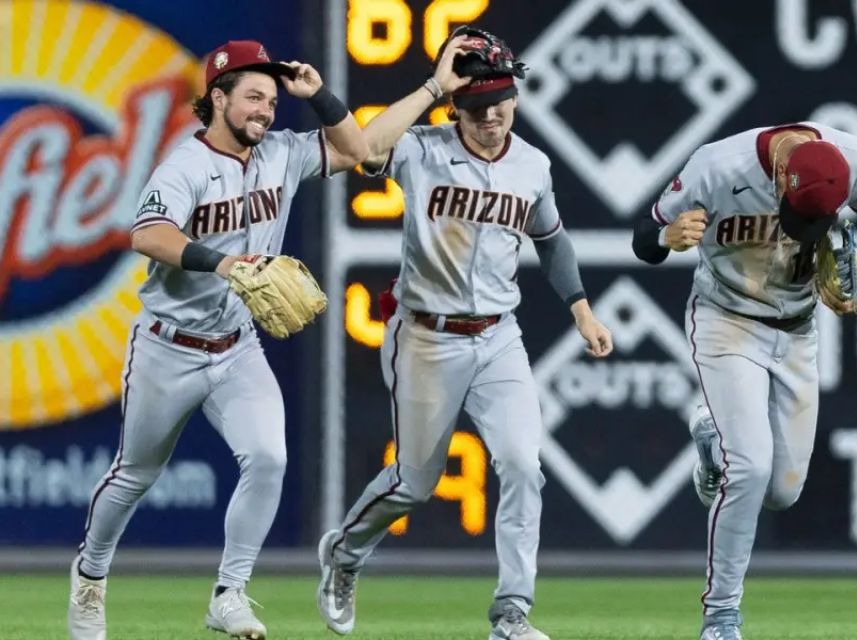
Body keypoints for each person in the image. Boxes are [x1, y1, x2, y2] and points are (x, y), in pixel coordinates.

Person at [315, 27, 613, 640]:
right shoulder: (421, 149)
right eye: (477, 106)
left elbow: (552, 240)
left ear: (515, 98)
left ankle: (512, 613)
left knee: (523, 466)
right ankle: (344, 554)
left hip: (499, 337)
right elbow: (360, 148)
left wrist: (582, 309)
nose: (491, 116)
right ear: (455, 105)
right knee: (413, 484)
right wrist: (431, 87)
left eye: (500, 101)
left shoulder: (532, 165)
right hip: (426, 336)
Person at [67, 40, 368, 640]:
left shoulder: (281, 153)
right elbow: (148, 234)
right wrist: (224, 263)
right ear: (218, 98)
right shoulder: (185, 165)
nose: (266, 110)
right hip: (167, 347)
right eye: (253, 96)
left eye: (272, 100)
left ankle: (229, 594)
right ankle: (90, 577)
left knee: (269, 457)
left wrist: (322, 97)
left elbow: (359, 150)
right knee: (134, 475)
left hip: (236, 346)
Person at [633, 123, 857, 640]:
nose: (804, 228)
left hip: (798, 331)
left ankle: (713, 442)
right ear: (779, 175)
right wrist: (666, 237)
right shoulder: (716, 166)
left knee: (781, 491)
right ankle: (721, 617)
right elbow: (644, 237)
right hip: (726, 320)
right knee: (750, 469)